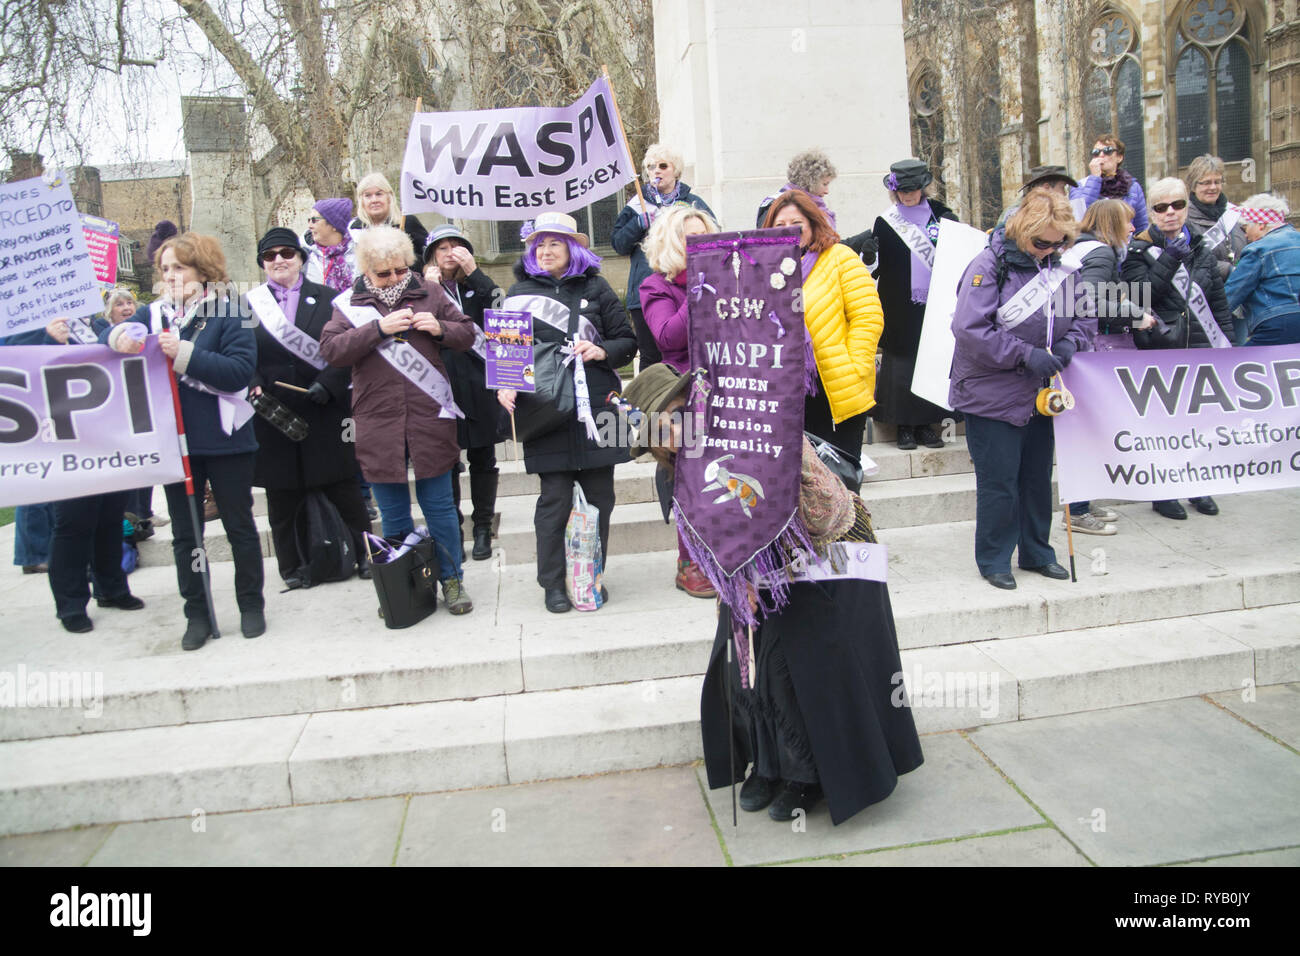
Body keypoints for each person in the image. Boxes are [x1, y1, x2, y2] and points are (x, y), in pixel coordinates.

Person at [621, 363, 924, 824]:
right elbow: (701, 540)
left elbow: (808, 512)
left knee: (793, 666)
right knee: (740, 665)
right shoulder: (674, 475)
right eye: (661, 427)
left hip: (825, 553)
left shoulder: (754, 431)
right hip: (752, 576)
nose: (675, 430)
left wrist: (758, 564)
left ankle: (809, 775)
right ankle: (766, 765)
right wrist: (737, 579)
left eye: (679, 412)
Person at [106, 232, 263, 650]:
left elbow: (239, 372)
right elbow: (114, 337)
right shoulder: (153, 313)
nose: (171, 276)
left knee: (239, 526)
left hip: (226, 437)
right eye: (165, 269)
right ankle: (196, 612)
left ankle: (251, 604)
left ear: (203, 270)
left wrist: (186, 354)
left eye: (180, 267)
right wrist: (115, 339)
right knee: (185, 536)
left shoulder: (233, 309)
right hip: (175, 444)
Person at [319, 226, 477, 614]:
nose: (393, 278)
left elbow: (468, 333)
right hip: (377, 421)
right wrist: (376, 329)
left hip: (429, 418)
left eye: (399, 270)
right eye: (383, 273)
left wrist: (441, 328)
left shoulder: (431, 292)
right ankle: (401, 584)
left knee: (440, 508)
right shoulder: (348, 304)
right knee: (392, 514)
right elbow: (331, 351)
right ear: (367, 272)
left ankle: (451, 579)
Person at [950, 190, 1092, 590]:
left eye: (1058, 242)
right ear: (1022, 231)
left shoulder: (1062, 268)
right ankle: (994, 558)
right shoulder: (988, 264)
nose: (1050, 249)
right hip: (990, 390)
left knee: (1035, 477)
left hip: (1042, 392)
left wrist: (1070, 343)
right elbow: (969, 330)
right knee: (999, 481)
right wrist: (1025, 355)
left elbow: (1084, 317)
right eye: (1041, 242)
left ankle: (1037, 552)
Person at [497, 212, 638, 613]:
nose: (544, 251)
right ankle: (553, 584)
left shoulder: (597, 289)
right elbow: (508, 359)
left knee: (600, 498)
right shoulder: (518, 292)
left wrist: (602, 350)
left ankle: (589, 575)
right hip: (547, 412)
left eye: (554, 243)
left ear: (572, 248)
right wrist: (505, 384)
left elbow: (626, 340)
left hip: (596, 405)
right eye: (539, 244)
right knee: (554, 500)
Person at [247, 226, 372, 588]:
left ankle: (366, 554)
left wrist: (329, 384)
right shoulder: (246, 306)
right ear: (262, 264)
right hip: (273, 412)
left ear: (301, 258)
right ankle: (293, 567)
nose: (279, 261)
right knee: (283, 499)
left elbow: (350, 347)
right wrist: (253, 382)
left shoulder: (332, 297)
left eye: (287, 253)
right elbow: (240, 352)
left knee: (344, 488)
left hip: (325, 406)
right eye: (270, 256)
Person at [1123, 177, 1234, 520]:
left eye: (1177, 205)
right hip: (1161, 349)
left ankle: (1200, 486)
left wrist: (1229, 345)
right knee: (1164, 427)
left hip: (1202, 345)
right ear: (1152, 213)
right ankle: (1163, 492)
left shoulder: (1201, 246)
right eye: (1160, 207)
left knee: (1200, 425)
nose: (1170, 213)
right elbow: (1140, 298)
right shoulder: (1138, 251)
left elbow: (1217, 300)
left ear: (1186, 206)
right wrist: (1169, 259)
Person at [764, 189, 883, 477]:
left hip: (835, 391)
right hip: (787, 393)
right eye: (779, 226)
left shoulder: (840, 258)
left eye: (796, 222)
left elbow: (868, 316)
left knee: (840, 488)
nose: (788, 230)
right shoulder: (765, 269)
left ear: (812, 223)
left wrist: (854, 367)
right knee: (797, 488)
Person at [637, 203, 721, 599]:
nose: (700, 242)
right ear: (672, 242)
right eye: (691, 236)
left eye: (705, 234)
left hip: (732, 389)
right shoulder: (657, 285)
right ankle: (690, 564)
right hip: (687, 398)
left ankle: (729, 556)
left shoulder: (730, 278)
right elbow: (668, 337)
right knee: (691, 482)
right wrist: (699, 287)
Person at [1062, 198, 1156, 536]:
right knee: (1087, 433)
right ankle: (1076, 512)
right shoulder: (1101, 253)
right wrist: (1136, 313)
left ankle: (1082, 504)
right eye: (1128, 222)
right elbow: (1090, 302)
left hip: (1081, 351)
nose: (1133, 228)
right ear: (1112, 223)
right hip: (1095, 352)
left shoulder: (1081, 248)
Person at [421, 224, 504, 561]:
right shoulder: (421, 289)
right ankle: (452, 525)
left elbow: (503, 311)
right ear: (431, 256)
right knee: (447, 460)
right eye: (442, 248)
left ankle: (483, 526)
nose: (450, 252)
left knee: (484, 457)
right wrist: (427, 289)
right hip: (441, 385)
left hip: (480, 383)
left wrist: (475, 273)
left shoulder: (477, 288)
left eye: (457, 246)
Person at [871, 158, 958, 450]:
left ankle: (926, 424)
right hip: (899, 305)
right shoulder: (885, 221)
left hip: (935, 304)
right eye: (903, 191)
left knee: (930, 363)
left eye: (914, 189)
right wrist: (869, 255)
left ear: (924, 188)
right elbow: (874, 268)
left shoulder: (943, 216)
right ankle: (904, 427)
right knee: (903, 366)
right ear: (895, 191)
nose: (908, 195)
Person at [610, 144, 714, 368]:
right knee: (652, 357)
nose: (656, 171)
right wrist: (637, 224)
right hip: (648, 289)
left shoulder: (694, 203)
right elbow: (618, 244)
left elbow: (715, 240)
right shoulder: (637, 205)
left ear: (675, 170)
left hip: (689, 286)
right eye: (650, 167)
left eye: (663, 166)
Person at [1224, 194, 1300, 345]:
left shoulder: (1257, 250)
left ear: (1260, 225)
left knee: (1240, 365)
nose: (1245, 235)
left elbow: (1232, 294)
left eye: (1245, 228)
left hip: (1275, 323)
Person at [1185, 155, 1248, 284]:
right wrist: (1228, 270)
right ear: (1193, 186)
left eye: (1217, 182)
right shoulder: (1184, 220)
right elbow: (1189, 260)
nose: (1213, 187)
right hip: (1207, 293)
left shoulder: (1235, 215)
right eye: (1206, 183)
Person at [1070, 134, 1148, 234]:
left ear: (1119, 157)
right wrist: (1095, 179)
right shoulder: (1080, 185)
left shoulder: (1132, 187)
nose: (1101, 155)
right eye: (1096, 152)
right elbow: (1080, 217)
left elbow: (1141, 226)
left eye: (1108, 151)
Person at [756, 148, 839, 230]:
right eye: (824, 184)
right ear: (810, 181)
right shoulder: (779, 204)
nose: (827, 191)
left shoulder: (808, 204)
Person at [352, 172, 428, 254]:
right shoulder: (353, 230)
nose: (374, 200)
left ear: (389, 197)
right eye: (368, 196)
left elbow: (428, 257)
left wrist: (406, 258)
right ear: (361, 201)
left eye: (379, 194)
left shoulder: (407, 222)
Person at [997, 165, 1084, 226]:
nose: (1065, 193)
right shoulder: (1018, 213)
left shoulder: (1041, 211)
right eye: (1062, 187)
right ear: (1047, 188)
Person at [304, 197, 357, 294]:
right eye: (309, 220)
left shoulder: (360, 253)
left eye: (314, 220)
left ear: (334, 224)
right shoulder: (306, 258)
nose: (310, 226)